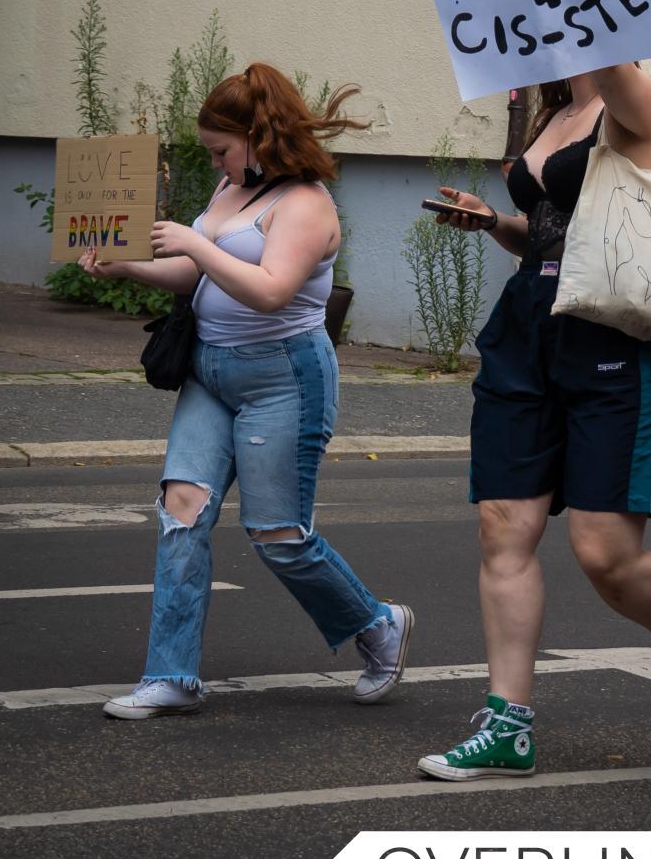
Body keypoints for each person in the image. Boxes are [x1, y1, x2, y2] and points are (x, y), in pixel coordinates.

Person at [415, 64, 651, 781]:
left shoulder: (632, 102)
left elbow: (613, 57)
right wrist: (495, 221)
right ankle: (508, 724)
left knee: (604, 554)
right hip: (529, 325)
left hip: (612, 339)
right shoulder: (553, 111)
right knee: (503, 525)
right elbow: (552, 233)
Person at [84, 63, 413, 719]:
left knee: (278, 536)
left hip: (282, 378)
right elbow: (194, 274)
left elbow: (268, 288)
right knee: (182, 511)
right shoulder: (231, 189)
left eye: (221, 150)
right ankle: (171, 676)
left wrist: (195, 247)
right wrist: (126, 265)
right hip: (211, 372)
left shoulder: (308, 205)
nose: (217, 163)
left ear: (261, 136)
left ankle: (377, 625)